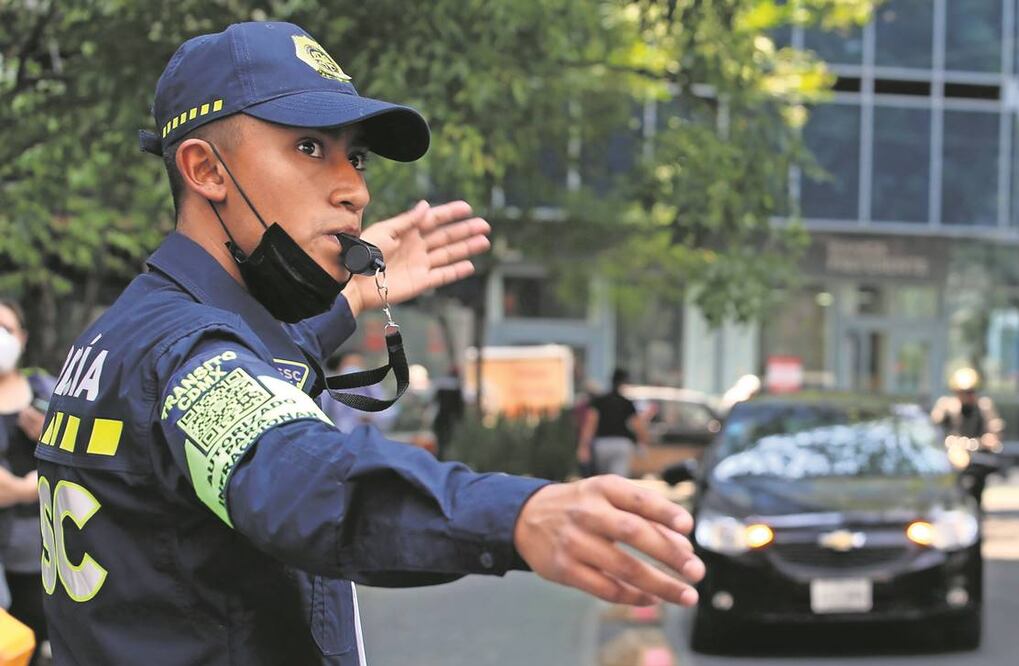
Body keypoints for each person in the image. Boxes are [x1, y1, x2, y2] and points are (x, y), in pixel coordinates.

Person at [35, 22, 703, 665]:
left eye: (353, 154)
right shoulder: (186, 350)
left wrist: (349, 299)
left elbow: (252, 360)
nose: (355, 188)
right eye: (309, 148)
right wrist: (516, 514)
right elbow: (304, 484)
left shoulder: (132, 329)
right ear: (206, 170)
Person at [0, 299, 53, 660]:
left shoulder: (47, 390)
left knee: (34, 640)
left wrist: (47, 437)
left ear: (23, 337)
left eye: (6, 329)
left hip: (44, 552)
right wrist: (31, 486)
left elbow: (82, 454)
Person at [930, 367, 1005, 502]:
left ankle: (977, 504)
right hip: (952, 453)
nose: (967, 396)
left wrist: (991, 438)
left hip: (977, 453)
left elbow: (995, 427)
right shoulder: (946, 406)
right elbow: (934, 426)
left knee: (980, 476)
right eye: (963, 392)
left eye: (971, 392)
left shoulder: (984, 407)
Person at [578, 368, 651, 477]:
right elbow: (638, 425)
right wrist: (643, 442)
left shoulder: (599, 401)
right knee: (618, 479)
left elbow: (590, 423)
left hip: (601, 443)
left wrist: (583, 446)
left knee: (602, 479)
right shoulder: (626, 403)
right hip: (622, 443)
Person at [430, 366, 464, 459]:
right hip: (450, 419)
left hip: (440, 416)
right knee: (447, 440)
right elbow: (459, 406)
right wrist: (460, 418)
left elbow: (433, 401)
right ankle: (444, 456)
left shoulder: (442, 385)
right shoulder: (457, 388)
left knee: (440, 439)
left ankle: (439, 456)